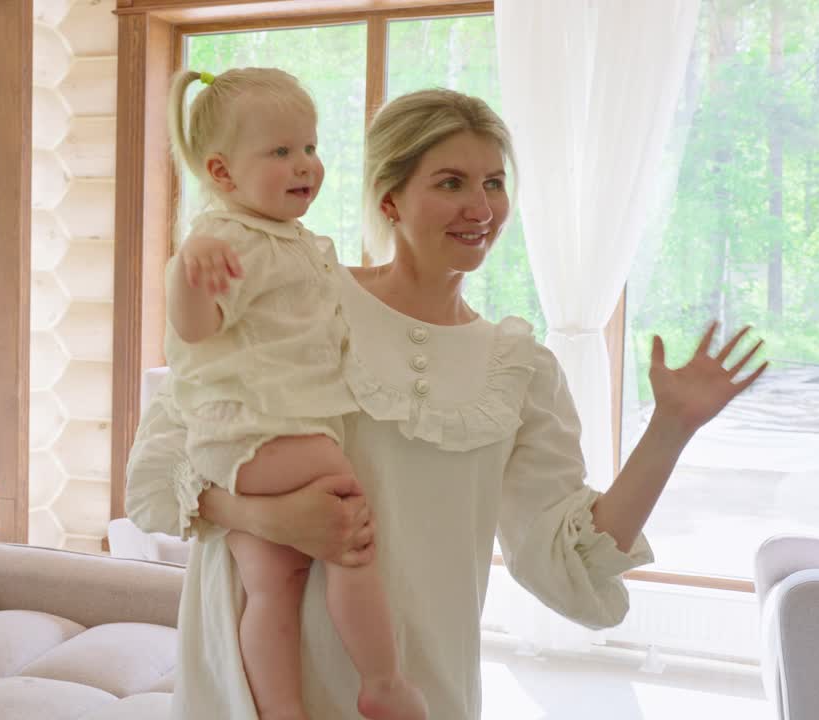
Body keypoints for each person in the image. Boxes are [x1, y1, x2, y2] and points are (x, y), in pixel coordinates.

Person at [126, 87, 768, 720]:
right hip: (259, 689)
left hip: (420, 694)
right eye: (451, 183)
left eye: (494, 183)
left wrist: (670, 429)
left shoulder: (517, 369)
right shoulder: (299, 299)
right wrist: (271, 520)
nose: (481, 207)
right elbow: (157, 482)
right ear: (390, 198)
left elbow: (565, 562)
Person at [160, 66, 426, 720]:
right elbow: (193, 331)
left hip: (242, 445)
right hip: (258, 432)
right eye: (280, 151)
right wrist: (185, 272)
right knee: (347, 519)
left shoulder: (294, 241)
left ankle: (282, 711)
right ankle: (382, 679)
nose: (305, 163)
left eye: (309, 147)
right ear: (222, 174)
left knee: (272, 584)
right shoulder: (227, 241)